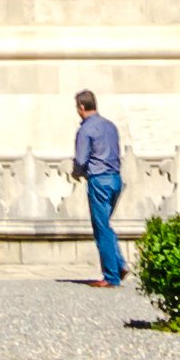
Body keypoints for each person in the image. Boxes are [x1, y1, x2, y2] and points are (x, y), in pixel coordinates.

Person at [71, 89, 126, 288]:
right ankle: (119, 264)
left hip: (99, 180)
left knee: (101, 228)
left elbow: (81, 158)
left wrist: (76, 172)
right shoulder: (110, 126)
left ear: (81, 107)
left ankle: (111, 275)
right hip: (116, 179)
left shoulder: (85, 130)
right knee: (105, 225)